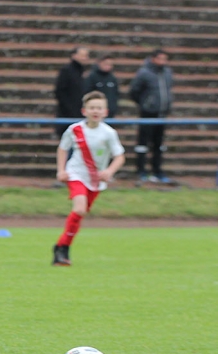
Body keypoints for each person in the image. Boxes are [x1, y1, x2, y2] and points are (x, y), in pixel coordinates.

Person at [52, 91, 124, 266]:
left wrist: (109, 171)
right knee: (79, 209)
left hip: (95, 180)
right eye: (92, 108)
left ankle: (62, 246)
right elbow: (62, 148)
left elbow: (120, 156)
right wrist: (61, 170)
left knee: (80, 215)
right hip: (76, 174)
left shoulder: (109, 133)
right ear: (84, 111)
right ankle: (62, 250)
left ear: (105, 112)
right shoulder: (75, 129)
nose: (95, 111)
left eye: (99, 108)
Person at [129, 49, 174, 183]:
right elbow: (134, 91)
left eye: (165, 59)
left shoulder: (167, 72)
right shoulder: (144, 73)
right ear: (153, 58)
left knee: (158, 144)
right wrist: (146, 104)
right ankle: (141, 170)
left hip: (162, 113)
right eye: (160, 58)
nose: (163, 62)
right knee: (143, 143)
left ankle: (157, 170)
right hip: (148, 113)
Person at [54, 47, 89, 136]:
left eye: (86, 56)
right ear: (74, 56)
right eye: (82, 55)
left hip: (79, 114)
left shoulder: (82, 72)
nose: (85, 58)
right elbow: (60, 92)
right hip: (68, 115)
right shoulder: (67, 71)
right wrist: (71, 109)